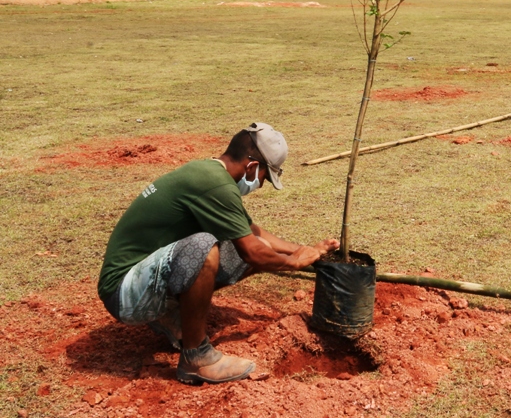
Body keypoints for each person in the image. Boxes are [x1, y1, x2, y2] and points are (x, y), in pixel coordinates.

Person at [97, 123, 338, 385]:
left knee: (247, 247)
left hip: (143, 277)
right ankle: (196, 359)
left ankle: (168, 313)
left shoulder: (210, 174)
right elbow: (252, 253)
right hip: (123, 292)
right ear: (252, 167)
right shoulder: (214, 185)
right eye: (265, 178)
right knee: (203, 247)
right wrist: (293, 262)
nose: (260, 185)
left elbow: (250, 232)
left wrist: (304, 249)